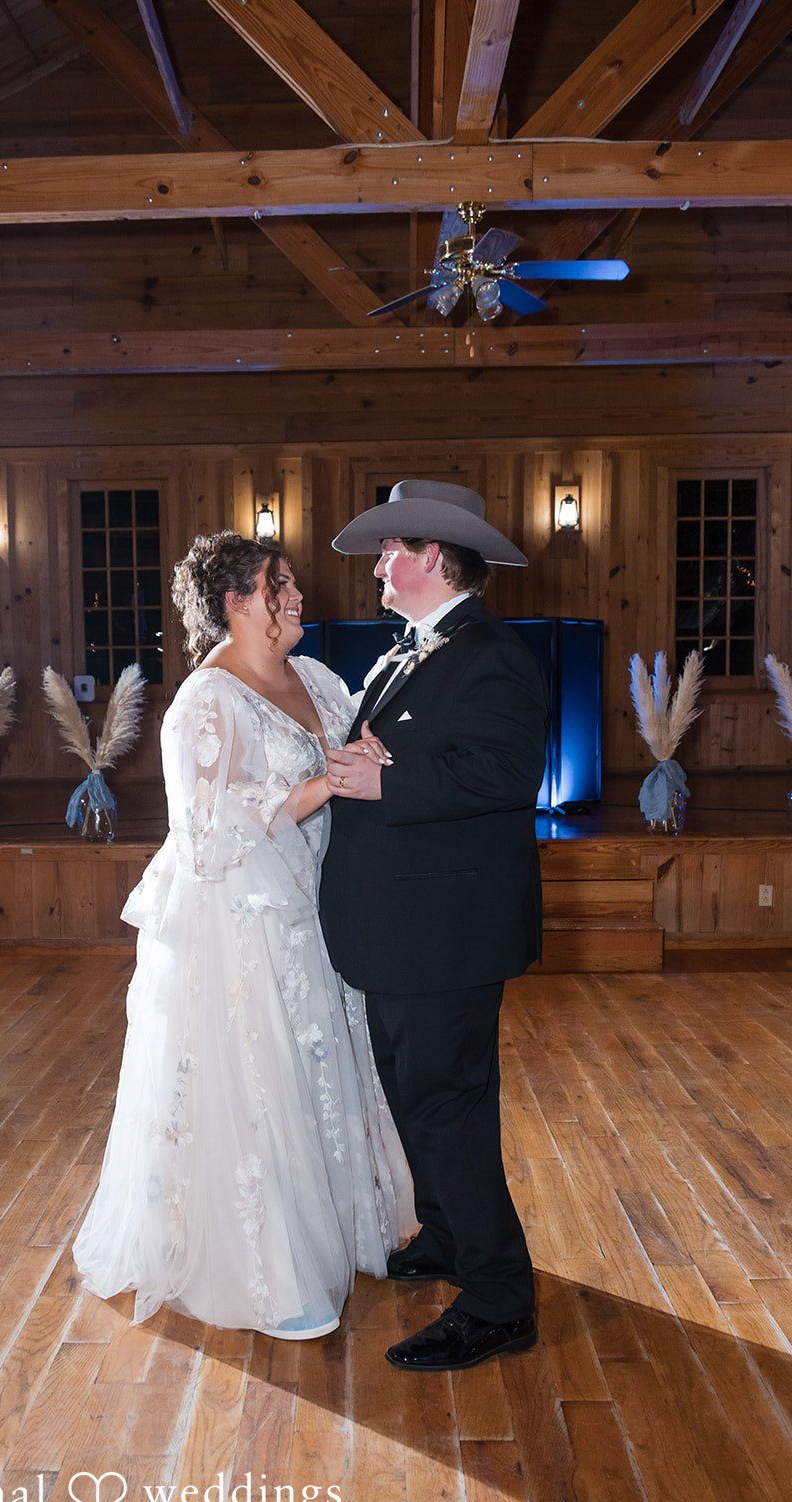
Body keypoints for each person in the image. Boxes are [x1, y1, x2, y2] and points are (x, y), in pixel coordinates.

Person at [73, 532, 415, 1339]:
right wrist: (319, 786)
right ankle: (267, 1274)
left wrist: (369, 756)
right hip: (241, 922)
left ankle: (342, 1231)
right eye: (277, 585)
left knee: (320, 1070)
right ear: (233, 602)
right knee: (261, 1084)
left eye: (289, 584)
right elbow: (205, 834)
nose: (294, 597)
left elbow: (357, 757)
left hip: (316, 907)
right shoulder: (206, 700)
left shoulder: (317, 678)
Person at [318, 480, 549, 1372]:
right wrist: (373, 762)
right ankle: (447, 1237)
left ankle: (498, 1301)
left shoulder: (490, 653)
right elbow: (426, 754)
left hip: (444, 933)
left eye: (388, 551)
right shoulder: (405, 653)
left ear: (430, 558)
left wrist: (388, 779)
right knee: (416, 1095)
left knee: (447, 1109)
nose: (377, 566)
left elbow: (508, 774)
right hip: (401, 927)